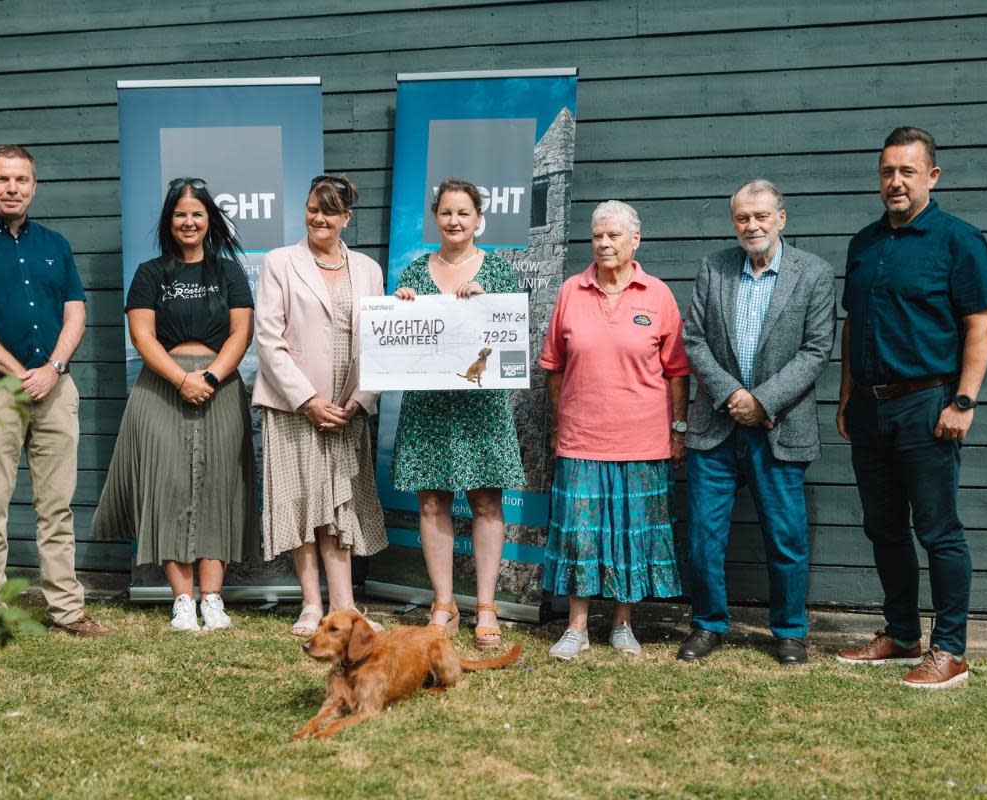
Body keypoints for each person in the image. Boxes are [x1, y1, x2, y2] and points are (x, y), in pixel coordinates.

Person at [836, 127, 987, 688]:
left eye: (907, 171)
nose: (895, 181)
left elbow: (981, 323)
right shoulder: (864, 244)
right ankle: (902, 633)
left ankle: (950, 650)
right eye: (887, 171)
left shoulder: (958, 240)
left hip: (929, 405)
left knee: (938, 530)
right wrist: (846, 397)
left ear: (932, 176)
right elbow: (854, 325)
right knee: (883, 527)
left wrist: (964, 400)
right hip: (870, 408)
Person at [0, 145, 109, 636]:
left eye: (22, 180)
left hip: (56, 389)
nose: (13, 188)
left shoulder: (55, 242)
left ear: (34, 186)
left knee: (57, 507)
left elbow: (75, 313)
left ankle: (66, 611)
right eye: (2, 180)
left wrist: (53, 368)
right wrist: (19, 373)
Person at [679, 179, 836, 665]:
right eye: (743, 218)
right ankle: (708, 624)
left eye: (761, 216)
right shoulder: (715, 268)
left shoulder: (814, 274)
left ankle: (789, 631)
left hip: (779, 425)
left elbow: (816, 351)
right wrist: (731, 395)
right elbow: (695, 340)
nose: (752, 225)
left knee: (785, 536)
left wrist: (762, 401)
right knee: (704, 535)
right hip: (716, 425)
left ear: (781, 219)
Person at [91, 177, 259, 632]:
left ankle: (213, 599)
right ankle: (182, 600)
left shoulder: (229, 273)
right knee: (165, 488)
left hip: (219, 385)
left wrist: (208, 376)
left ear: (210, 220)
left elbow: (241, 334)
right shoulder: (150, 272)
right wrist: (181, 378)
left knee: (218, 488)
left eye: (197, 214)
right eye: (180, 214)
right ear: (170, 221)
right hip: (161, 385)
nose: (189, 221)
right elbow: (142, 336)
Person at [538, 200, 690, 661]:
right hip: (582, 438)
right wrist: (559, 423)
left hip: (643, 440)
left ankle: (624, 624)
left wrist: (677, 430)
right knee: (580, 534)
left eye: (614, 236)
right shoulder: (571, 291)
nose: (604, 243)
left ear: (635, 241)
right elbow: (553, 369)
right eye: (598, 236)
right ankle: (577, 627)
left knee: (631, 533)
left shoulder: (658, 295)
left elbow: (678, 371)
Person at [391, 178, 526, 649]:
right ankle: (443, 603)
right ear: (436, 217)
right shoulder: (412, 273)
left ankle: (485, 605)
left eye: (463, 213)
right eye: (446, 213)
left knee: (487, 503)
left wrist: (486, 303)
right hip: (429, 406)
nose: (454, 221)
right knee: (431, 503)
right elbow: (397, 339)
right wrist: (402, 308)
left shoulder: (499, 272)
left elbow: (511, 338)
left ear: (478, 218)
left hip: (480, 405)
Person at [253, 175, 387, 637]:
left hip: (347, 409)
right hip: (295, 408)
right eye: (313, 208)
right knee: (301, 504)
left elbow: (378, 340)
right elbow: (268, 339)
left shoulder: (369, 269)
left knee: (339, 506)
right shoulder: (280, 263)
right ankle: (312, 604)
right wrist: (308, 401)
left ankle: (346, 605)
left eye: (330, 211)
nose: (319, 218)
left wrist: (359, 400)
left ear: (346, 218)